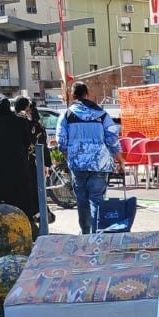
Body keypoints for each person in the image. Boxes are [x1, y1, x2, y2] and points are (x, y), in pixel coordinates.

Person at [57, 82, 123, 234]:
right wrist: (120, 159)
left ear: (73, 95)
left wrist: (70, 156)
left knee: (82, 200)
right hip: (99, 164)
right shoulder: (102, 114)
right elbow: (112, 138)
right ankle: (97, 231)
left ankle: (86, 232)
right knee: (97, 199)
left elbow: (61, 142)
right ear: (87, 94)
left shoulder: (66, 115)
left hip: (77, 165)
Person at [13, 96, 53, 224]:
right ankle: (38, 216)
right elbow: (42, 143)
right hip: (34, 161)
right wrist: (47, 163)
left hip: (19, 163)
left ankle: (27, 218)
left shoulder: (16, 121)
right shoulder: (35, 122)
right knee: (35, 190)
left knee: (23, 191)